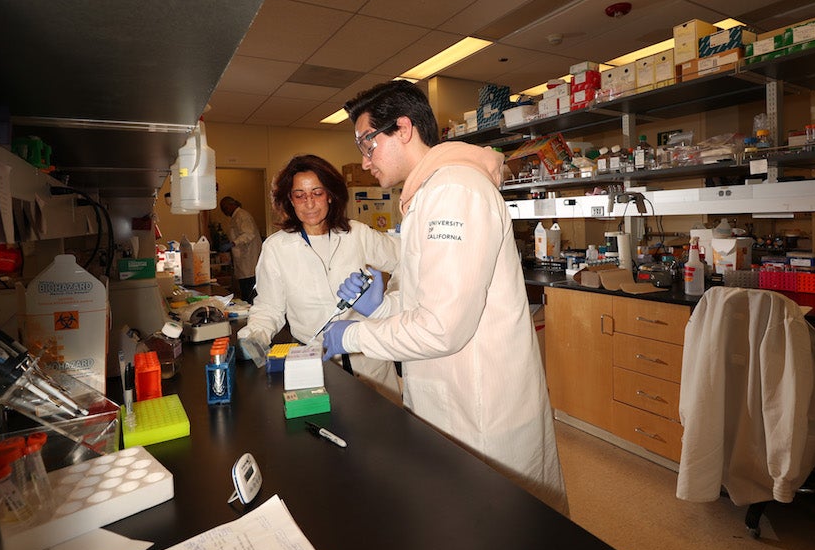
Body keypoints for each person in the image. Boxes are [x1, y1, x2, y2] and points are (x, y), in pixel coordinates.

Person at [323, 80, 567, 512]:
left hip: (480, 411)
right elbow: (431, 303)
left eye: (367, 143)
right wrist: (382, 306)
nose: (364, 161)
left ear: (402, 129)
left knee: (498, 533)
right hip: (450, 398)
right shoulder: (427, 194)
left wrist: (353, 336)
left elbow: (440, 328)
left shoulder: (453, 192)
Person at [238, 155, 401, 396]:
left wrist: (388, 304)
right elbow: (269, 309)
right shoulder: (277, 247)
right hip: (316, 363)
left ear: (330, 195)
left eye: (317, 193)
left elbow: (406, 260)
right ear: (290, 200)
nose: (309, 203)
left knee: (383, 429)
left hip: (369, 358)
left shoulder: (356, 233)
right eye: (300, 195)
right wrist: (253, 337)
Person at [219, 196, 263, 303]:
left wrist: (233, 243)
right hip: (243, 261)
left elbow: (248, 234)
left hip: (249, 259)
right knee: (245, 291)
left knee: (249, 292)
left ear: (232, 205)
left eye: (225, 208)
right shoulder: (235, 217)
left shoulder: (242, 215)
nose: (224, 211)